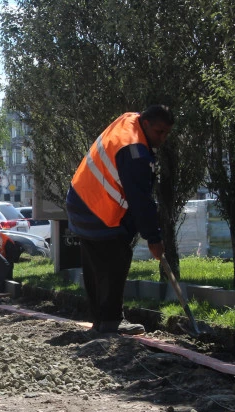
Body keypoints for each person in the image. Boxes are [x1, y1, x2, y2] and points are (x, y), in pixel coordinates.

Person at [66, 105, 174, 335]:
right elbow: (140, 199)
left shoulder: (130, 119)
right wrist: (154, 238)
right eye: (158, 132)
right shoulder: (134, 150)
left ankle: (101, 320)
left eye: (166, 133)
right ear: (145, 124)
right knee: (117, 256)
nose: (162, 138)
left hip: (79, 199)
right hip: (95, 208)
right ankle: (112, 321)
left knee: (96, 262)